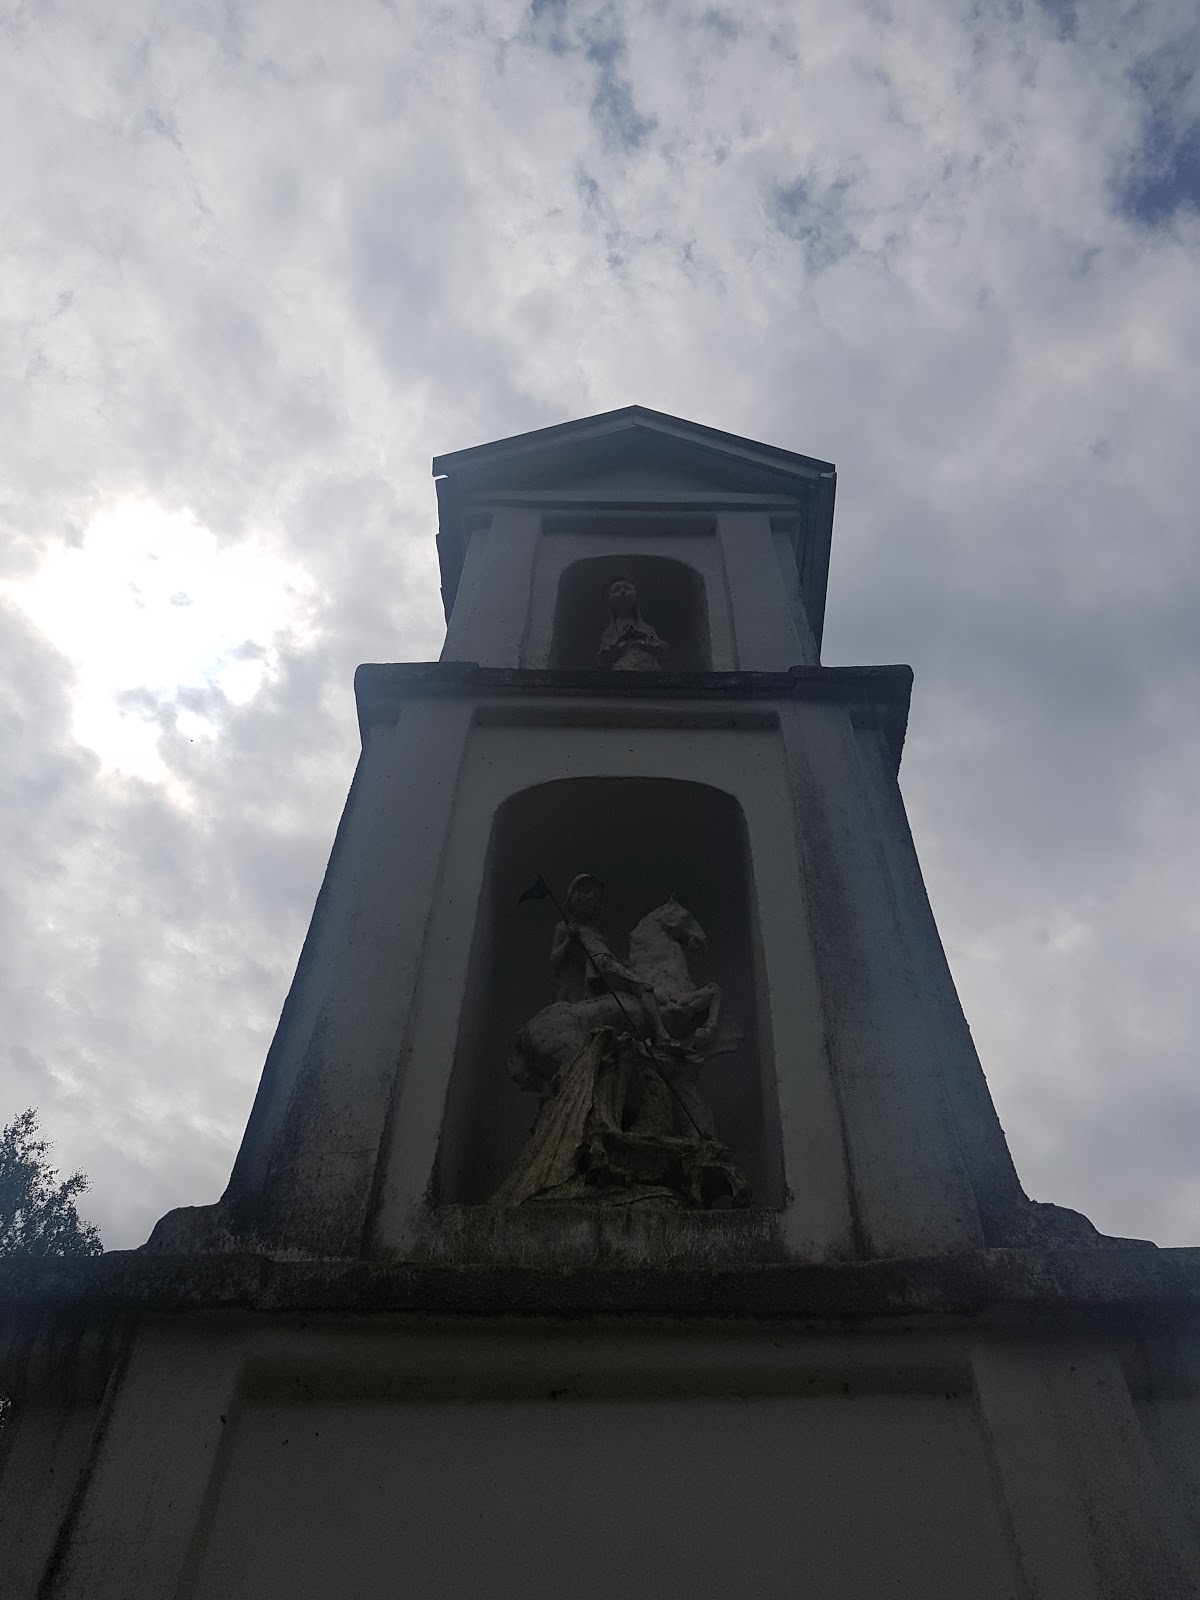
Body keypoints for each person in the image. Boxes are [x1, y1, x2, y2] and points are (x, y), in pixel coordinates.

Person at [550, 873, 671, 1043]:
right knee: (644, 988)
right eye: (585, 892)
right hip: (600, 966)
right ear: (573, 897)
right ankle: (662, 1034)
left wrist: (621, 964)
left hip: (606, 965)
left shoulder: (594, 930)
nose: (590, 898)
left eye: (594, 896)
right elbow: (554, 959)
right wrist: (569, 938)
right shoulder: (564, 927)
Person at [595, 578, 668, 671]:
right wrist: (623, 640)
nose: (622, 591)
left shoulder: (647, 629)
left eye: (627, 588)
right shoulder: (609, 632)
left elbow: (662, 650)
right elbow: (602, 659)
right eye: (616, 590)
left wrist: (643, 638)